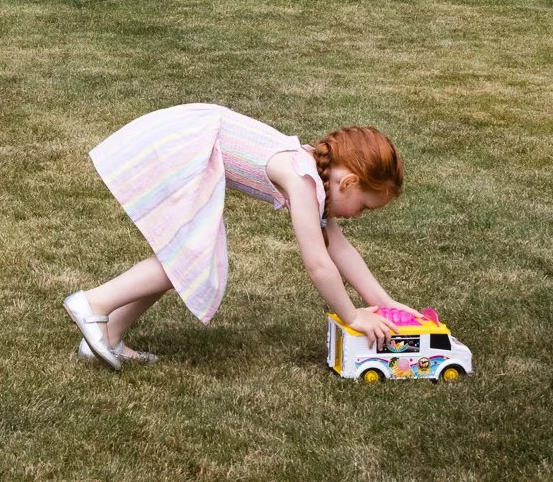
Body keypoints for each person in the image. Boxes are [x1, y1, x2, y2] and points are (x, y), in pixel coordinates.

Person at [62, 103, 414, 370]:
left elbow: (339, 248)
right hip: (185, 144)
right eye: (365, 207)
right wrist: (352, 316)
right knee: (191, 255)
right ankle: (95, 303)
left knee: (186, 255)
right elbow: (318, 264)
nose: (358, 216)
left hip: (190, 139)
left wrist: (384, 303)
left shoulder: (313, 176)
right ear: (349, 182)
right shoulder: (302, 180)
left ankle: (109, 334)